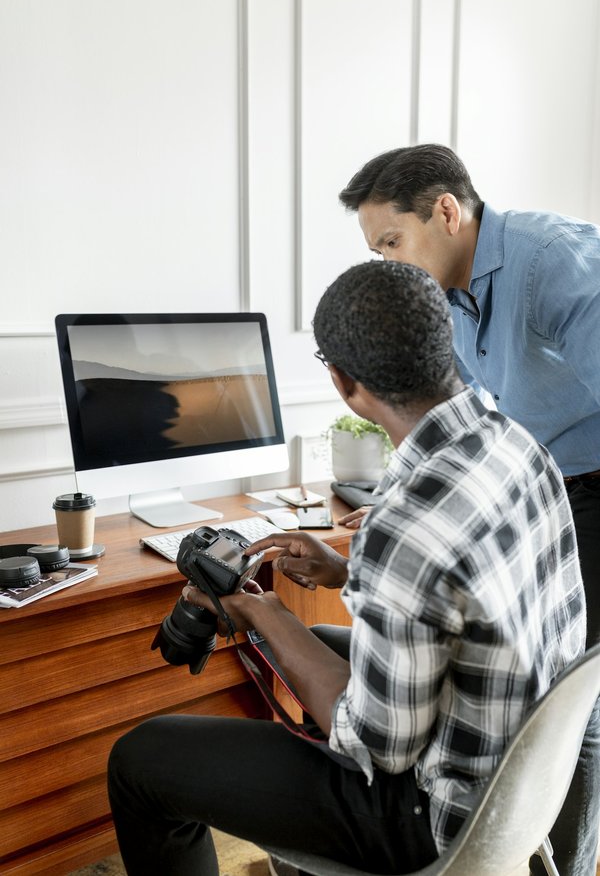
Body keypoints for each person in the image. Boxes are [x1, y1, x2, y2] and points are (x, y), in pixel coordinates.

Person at [108, 261, 585, 876]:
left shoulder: (405, 523)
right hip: (520, 773)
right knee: (328, 639)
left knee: (141, 758)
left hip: (438, 818)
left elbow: (374, 743)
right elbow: (468, 580)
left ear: (341, 380)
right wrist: (350, 569)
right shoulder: (520, 446)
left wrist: (264, 611)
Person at [338, 145, 600, 875]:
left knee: (573, 705)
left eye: (392, 242)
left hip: (592, 489)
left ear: (447, 212)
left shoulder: (553, 265)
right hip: (546, 481)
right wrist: (409, 510)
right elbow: (462, 425)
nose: (388, 264)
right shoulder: (446, 297)